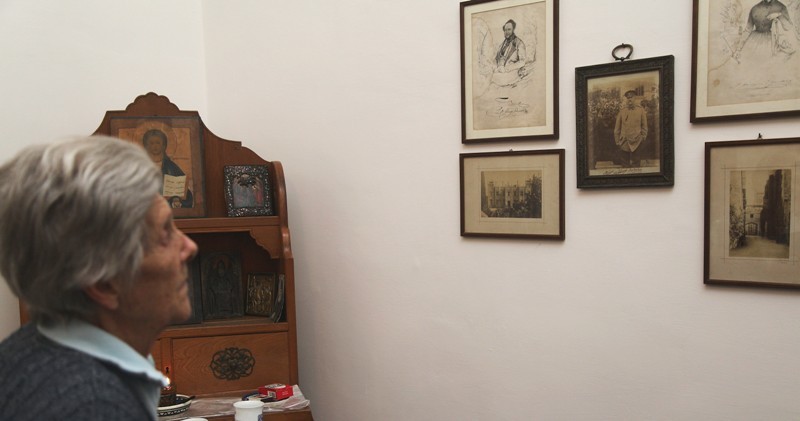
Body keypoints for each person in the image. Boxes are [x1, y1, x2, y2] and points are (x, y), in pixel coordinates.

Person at [0, 136, 199, 420]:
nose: (190, 247)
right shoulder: (94, 407)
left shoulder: (24, 352)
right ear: (104, 284)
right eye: (165, 233)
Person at [142, 128, 194, 208]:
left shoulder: (171, 167)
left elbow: (183, 187)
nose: (155, 146)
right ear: (146, 146)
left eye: (158, 143)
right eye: (151, 143)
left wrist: (176, 198)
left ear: (163, 146)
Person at [614, 90, 648, 167]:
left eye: (631, 97)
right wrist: (617, 140)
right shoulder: (622, 111)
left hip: (637, 140)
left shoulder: (640, 110)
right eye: (628, 97)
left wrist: (643, 137)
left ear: (635, 98)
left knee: (636, 164)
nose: (629, 99)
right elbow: (617, 128)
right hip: (624, 141)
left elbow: (644, 126)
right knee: (625, 164)